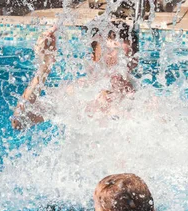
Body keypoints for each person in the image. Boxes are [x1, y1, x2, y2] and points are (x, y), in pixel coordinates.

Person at [11, 20, 139, 130]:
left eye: (123, 56)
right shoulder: (76, 95)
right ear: (93, 58)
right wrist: (44, 67)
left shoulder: (143, 103)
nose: (115, 62)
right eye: (109, 54)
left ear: (134, 61)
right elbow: (19, 121)